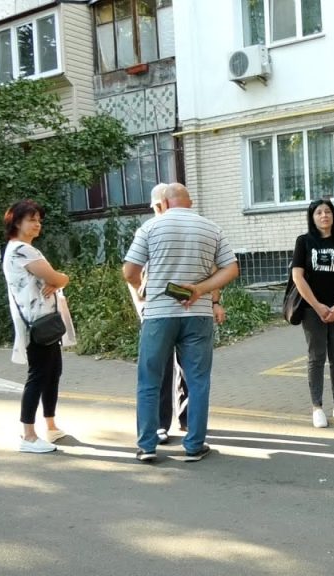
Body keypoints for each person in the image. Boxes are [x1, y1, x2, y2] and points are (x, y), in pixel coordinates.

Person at [123, 183, 239, 463]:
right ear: (190, 202)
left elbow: (129, 271)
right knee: (198, 381)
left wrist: (142, 288)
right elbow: (231, 268)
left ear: (164, 201)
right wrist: (201, 290)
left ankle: (148, 445)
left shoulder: (150, 228)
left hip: (159, 315)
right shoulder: (211, 228)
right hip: (197, 314)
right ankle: (194, 445)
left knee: (149, 379)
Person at [2, 199, 70, 454]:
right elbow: (57, 278)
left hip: (44, 321)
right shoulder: (21, 250)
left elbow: (53, 279)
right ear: (16, 222)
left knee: (52, 373)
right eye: (31, 219)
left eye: (39, 220)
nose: (37, 224)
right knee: (39, 376)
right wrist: (60, 278)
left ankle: (50, 426)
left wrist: (56, 279)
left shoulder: (21, 249)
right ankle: (28, 435)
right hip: (36, 324)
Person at [290, 199, 334, 428]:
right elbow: (298, 277)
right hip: (312, 310)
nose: (324, 216)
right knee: (316, 358)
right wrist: (318, 306)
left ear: (333, 216)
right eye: (319, 212)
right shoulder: (304, 242)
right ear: (312, 217)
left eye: (327, 211)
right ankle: (317, 407)